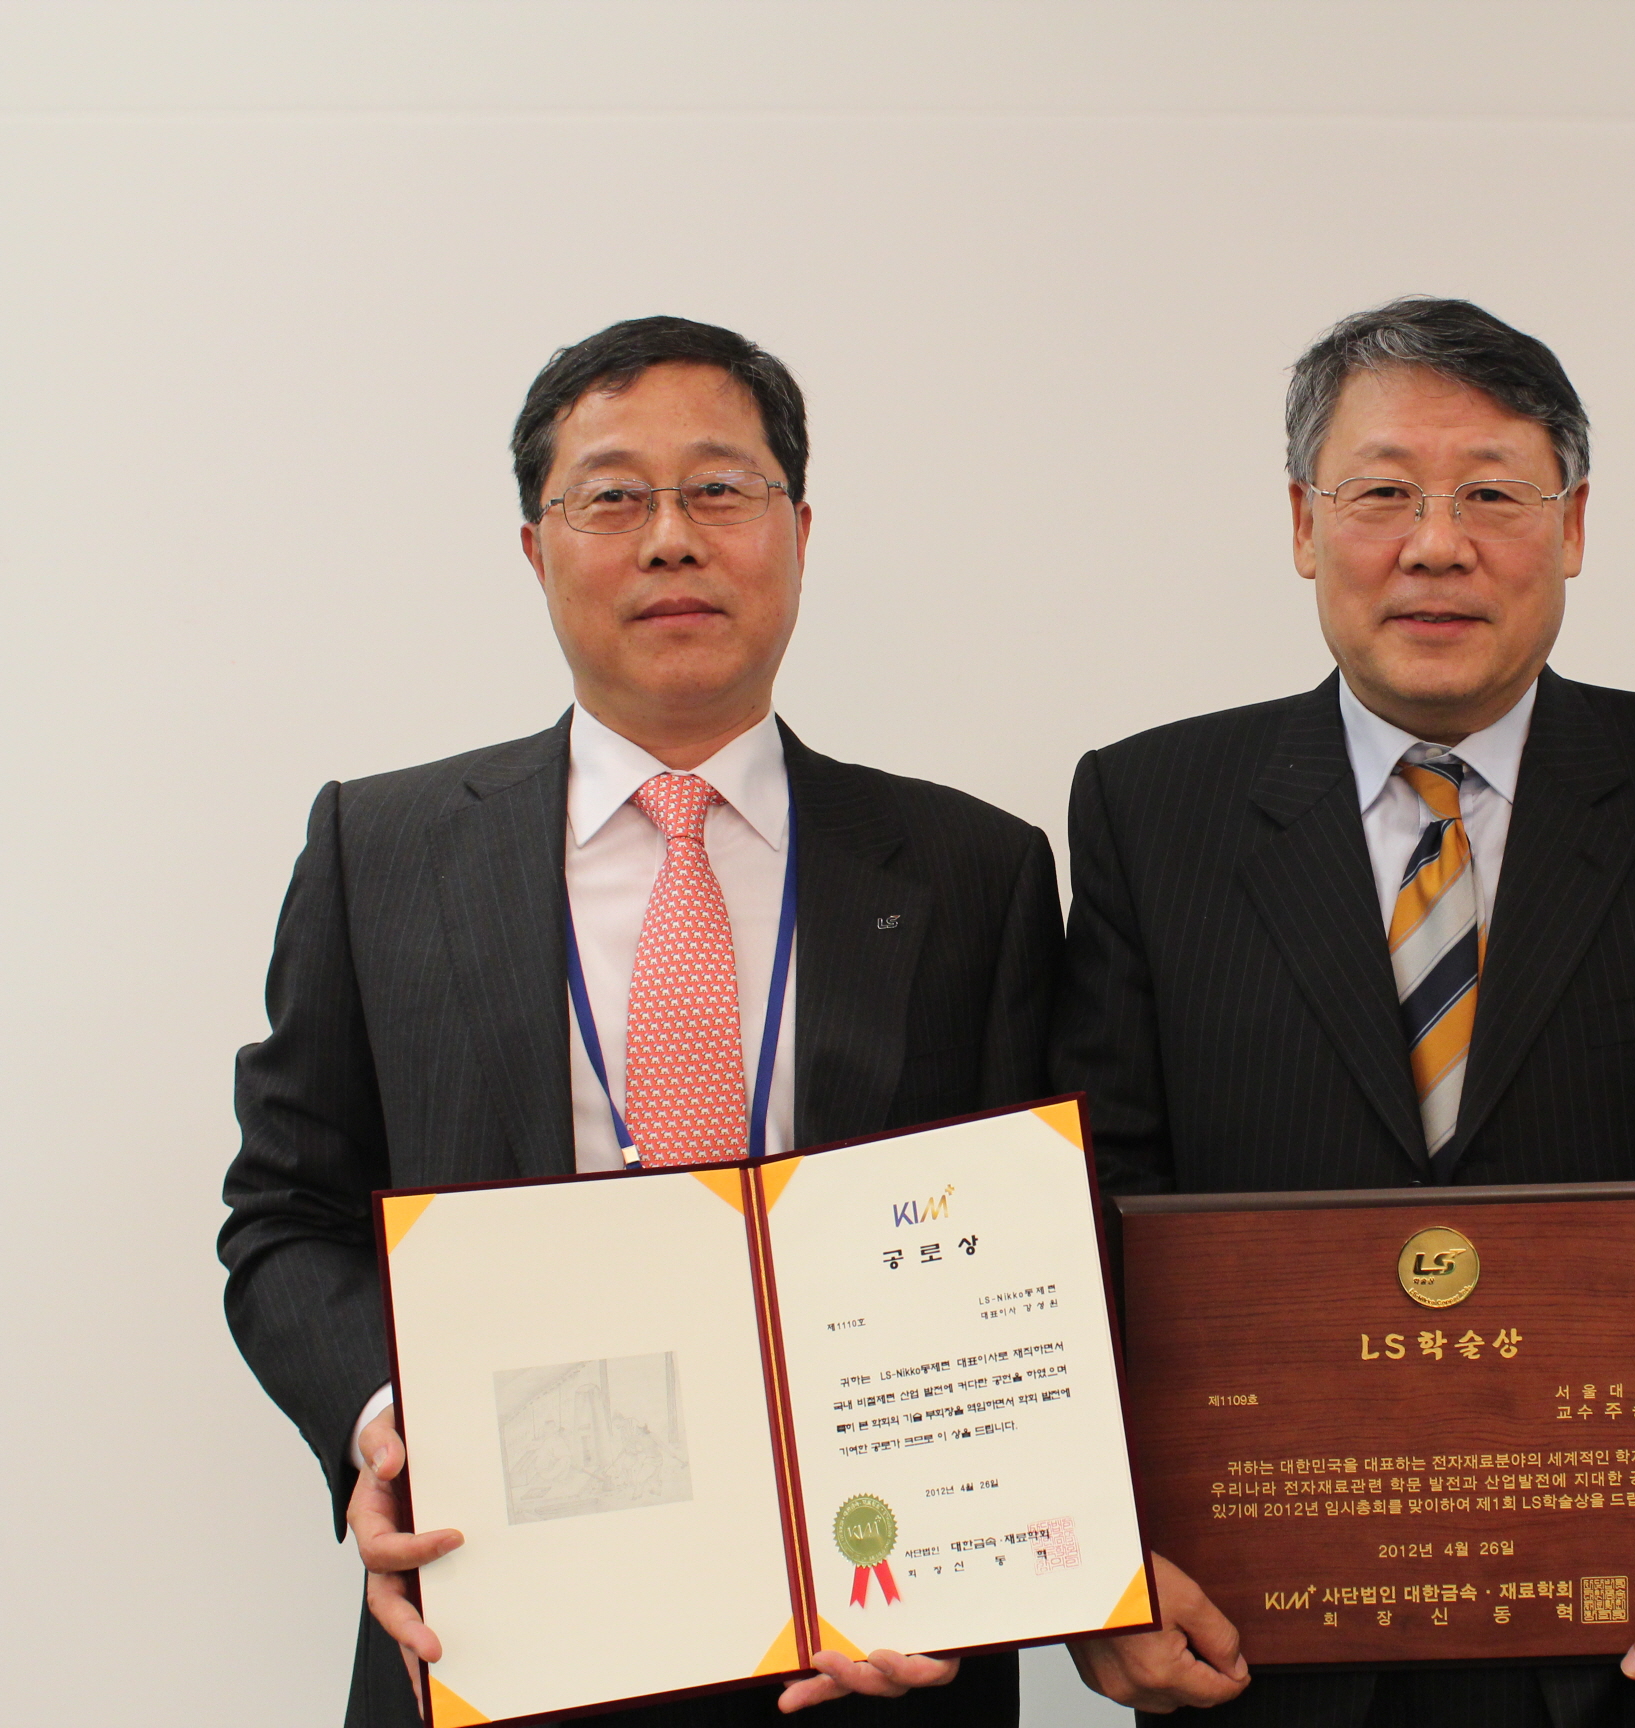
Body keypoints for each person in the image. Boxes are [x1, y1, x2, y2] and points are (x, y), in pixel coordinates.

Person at [1049, 297, 1635, 1726]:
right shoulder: (1151, 809)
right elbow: (1096, 1206)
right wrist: (1100, 1559)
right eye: (1383, 494)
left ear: (1574, 526)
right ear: (1303, 526)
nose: (1437, 544)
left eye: (1493, 494)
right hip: (1262, 1643)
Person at [219, 317, 1055, 1727]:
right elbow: (285, 1215)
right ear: (535, 551)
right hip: (498, 1623)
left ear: (799, 532)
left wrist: (978, 1536)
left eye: (720, 489)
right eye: (612, 497)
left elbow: (1033, 1245)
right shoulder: (382, 850)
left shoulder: (975, 869)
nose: (671, 539)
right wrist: (390, 1425)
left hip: (869, 1639)